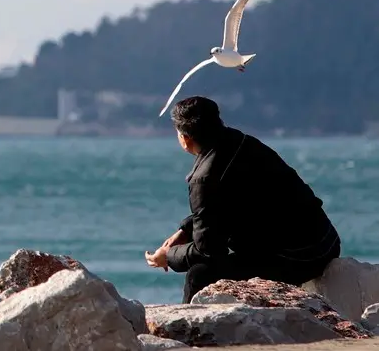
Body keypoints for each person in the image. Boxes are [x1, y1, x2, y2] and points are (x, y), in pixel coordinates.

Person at [144, 96, 341, 304]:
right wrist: (186, 230)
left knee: (199, 274)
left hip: (298, 258)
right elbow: (228, 204)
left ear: (185, 138)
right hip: (325, 241)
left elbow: (208, 252)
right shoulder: (243, 142)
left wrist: (169, 255)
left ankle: (190, 332)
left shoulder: (205, 178)